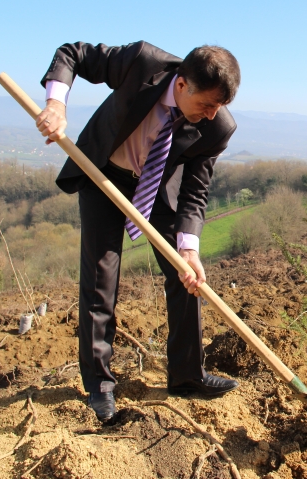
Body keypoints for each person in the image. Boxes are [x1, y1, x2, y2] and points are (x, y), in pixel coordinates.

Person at [36, 41, 241, 422]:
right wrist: (56, 103)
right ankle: (100, 385)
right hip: (103, 175)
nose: (213, 115)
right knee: (101, 278)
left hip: (157, 189)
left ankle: (186, 376)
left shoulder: (218, 128)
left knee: (187, 278)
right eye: (207, 104)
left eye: (219, 106)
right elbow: (72, 54)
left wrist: (189, 249)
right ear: (181, 85)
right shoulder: (141, 63)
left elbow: (195, 191)